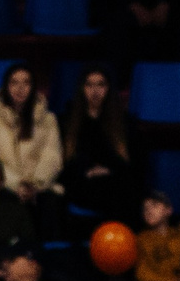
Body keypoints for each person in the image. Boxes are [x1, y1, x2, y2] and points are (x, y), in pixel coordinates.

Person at [0, 63, 61, 208]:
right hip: (2, 186)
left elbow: (52, 157)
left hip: (38, 188)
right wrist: (17, 185)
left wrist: (34, 185)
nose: (20, 88)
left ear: (33, 87)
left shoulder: (48, 120)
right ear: (6, 86)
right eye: (14, 83)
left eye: (26, 83)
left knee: (50, 202)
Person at [56, 65, 136, 221]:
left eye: (101, 85)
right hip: (81, 184)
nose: (95, 91)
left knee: (125, 189)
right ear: (82, 88)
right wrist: (88, 170)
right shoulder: (67, 121)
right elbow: (65, 163)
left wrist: (107, 169)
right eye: (89, 85)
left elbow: (131, 161)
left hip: (114, 183)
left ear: (108, 88)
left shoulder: (124, 122)